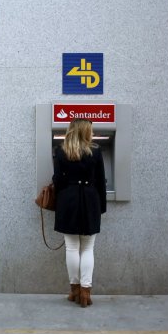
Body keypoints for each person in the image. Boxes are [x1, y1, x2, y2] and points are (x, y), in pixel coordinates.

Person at [52, 118, 107, 308]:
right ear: (86, 131)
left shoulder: (61, 151)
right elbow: (101, 181)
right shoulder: (97, 151)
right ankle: (86, 292)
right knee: (88, 248)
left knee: (72, 248)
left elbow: (58, 180)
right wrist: (101, 207)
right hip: (91, 200)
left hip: (69, 201)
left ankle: (75, 290)